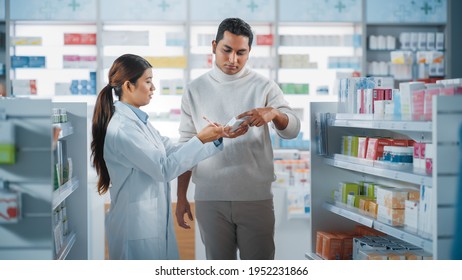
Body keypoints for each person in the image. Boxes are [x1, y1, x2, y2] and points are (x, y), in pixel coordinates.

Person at [176, 18, 301, 260]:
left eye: (241, 53)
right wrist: (181, 197)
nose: (233, 59)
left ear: (249, 52)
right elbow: (185, 147)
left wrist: (274, 114)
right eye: (227, 50)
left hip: (256, 197)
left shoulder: (264, 85)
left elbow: (292, 129)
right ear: (214, 46)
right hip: (210, 198)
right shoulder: (195, 89)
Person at [91, 54, 228, 260]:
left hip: (149, 222)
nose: (153, 88)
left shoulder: (140, 123)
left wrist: (213, 138)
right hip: (135, 227)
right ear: (128, 86)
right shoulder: (123, 128)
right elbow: (163, 169)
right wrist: (200, 139)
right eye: (148, 81)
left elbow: (171, 152)